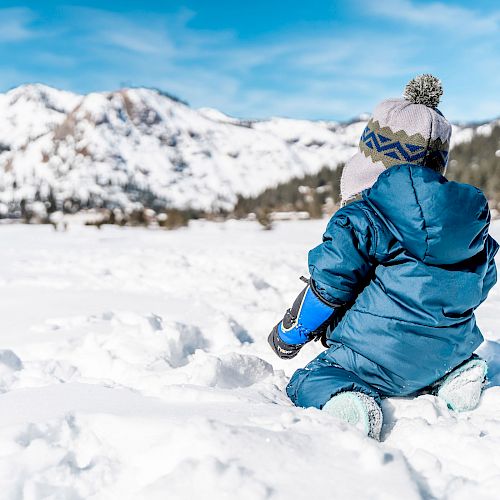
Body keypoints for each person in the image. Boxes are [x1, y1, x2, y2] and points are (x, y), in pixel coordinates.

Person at [268, 75, 499, 440]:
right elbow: (483, 281)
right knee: (445, 360)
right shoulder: (467, 226)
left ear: (369, 162)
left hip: (372, 358)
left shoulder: (362, 218)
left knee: (310, 379)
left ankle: (352, 404)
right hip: (447, 349)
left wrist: (290, 334)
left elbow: (328, 287)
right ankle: (455, 376)